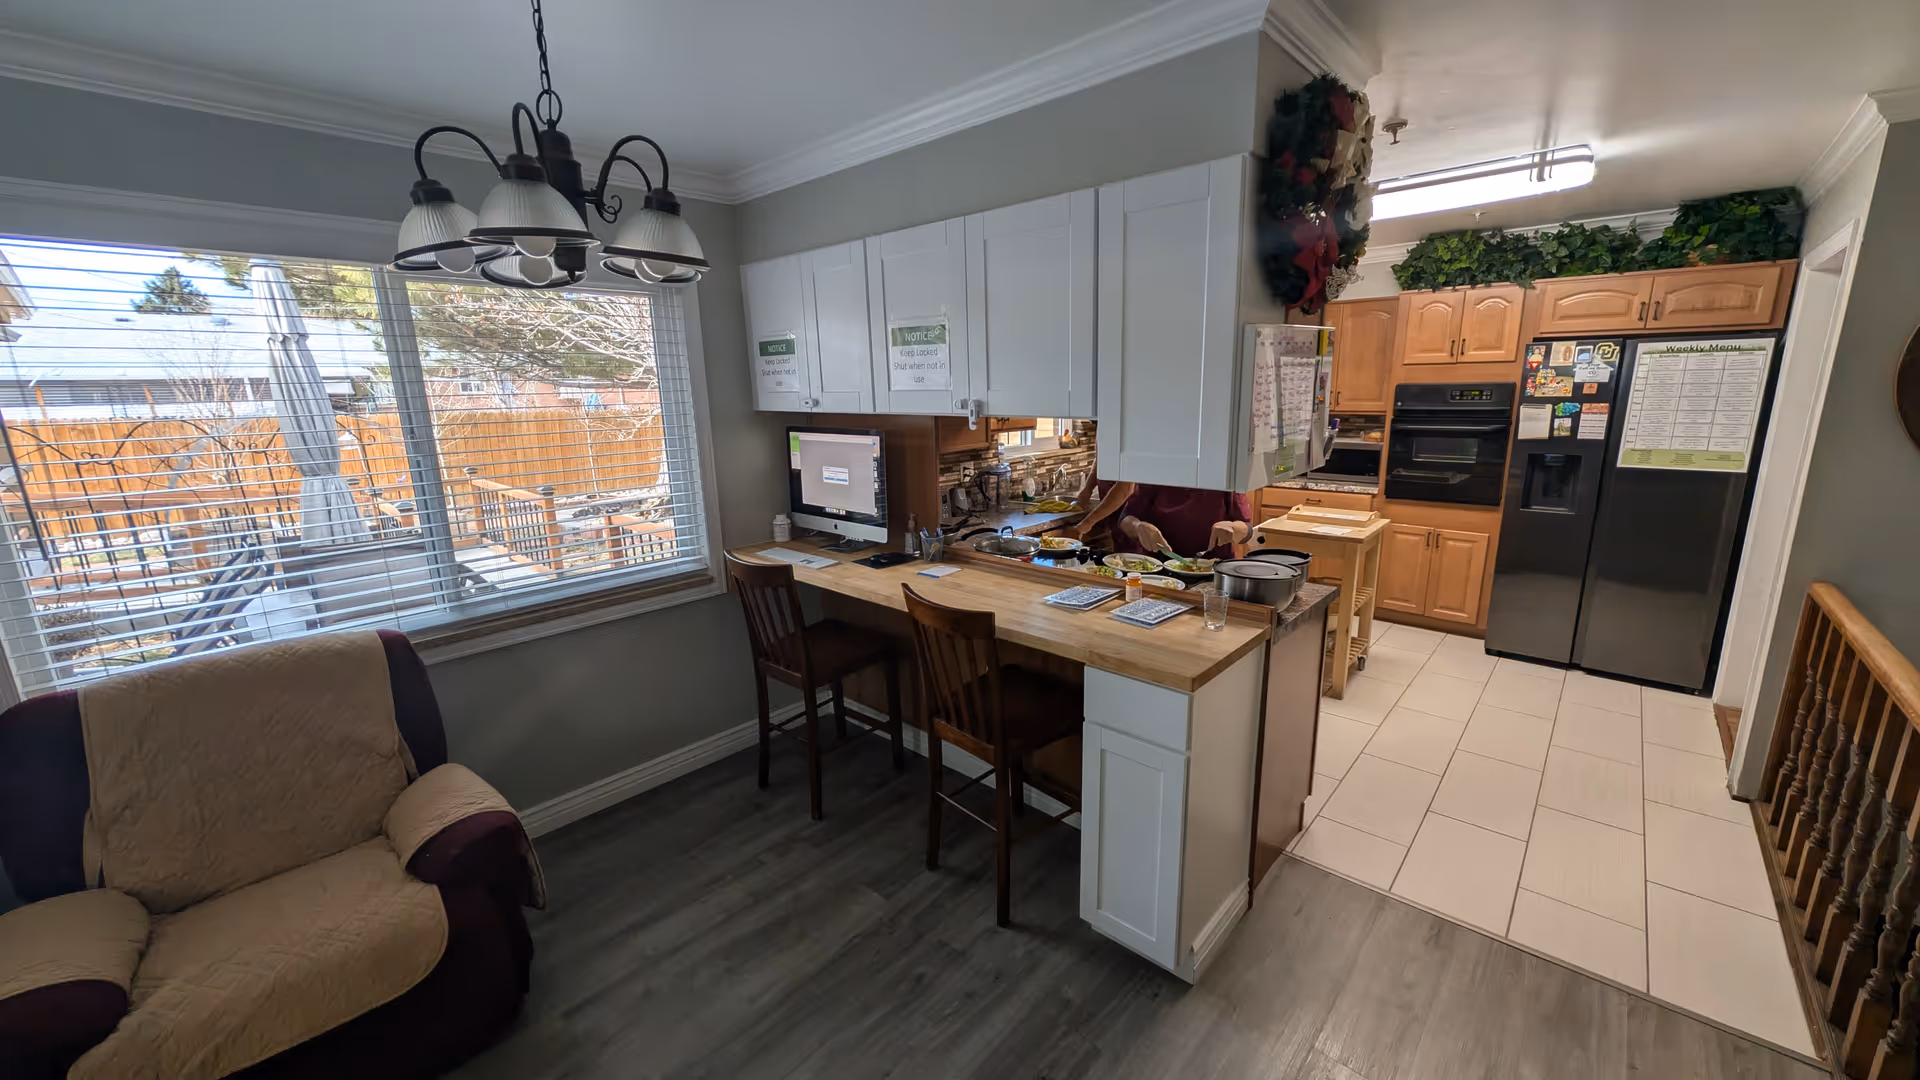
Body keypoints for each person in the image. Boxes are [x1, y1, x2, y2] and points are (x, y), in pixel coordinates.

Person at [1063, 480, 1253, 560]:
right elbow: (1125, 519)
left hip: (1214, 572)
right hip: (1160, 571)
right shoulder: (1157, 475)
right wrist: (1139, 527)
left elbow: (1247, 529)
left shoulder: (1225, 479)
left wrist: (1234, 529)